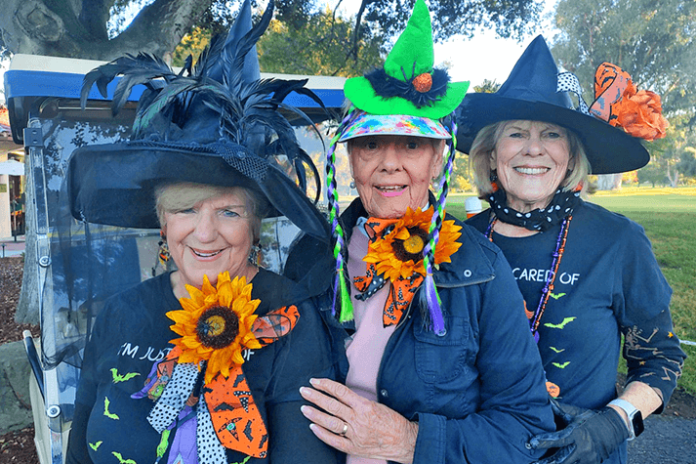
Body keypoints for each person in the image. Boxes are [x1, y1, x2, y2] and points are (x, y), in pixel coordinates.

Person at [65, 2, 338, 463]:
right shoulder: (120, 314)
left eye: (229, 212)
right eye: (186, 209)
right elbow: (78, 452)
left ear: (254, 224)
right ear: (163, 220)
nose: (206, 233)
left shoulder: (291, 319)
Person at [286, 2, 555, 463]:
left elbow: (526, 429)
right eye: (370, 144)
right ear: (351, 160)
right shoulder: (310, 254)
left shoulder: (481, 272)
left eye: (411, 144)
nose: (390, 162)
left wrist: (407, 440)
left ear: (436, 161)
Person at [457, 36, 687, 464]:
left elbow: (661, 357)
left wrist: (615, 422)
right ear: (491, 154)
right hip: (478, 450)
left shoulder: (618, 241)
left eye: (551, 134)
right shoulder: (455, 241)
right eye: (516, 133)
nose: (533, 148)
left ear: (571, 156)